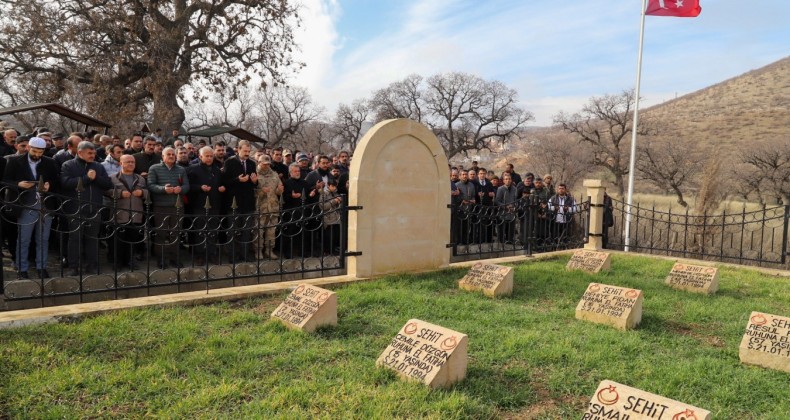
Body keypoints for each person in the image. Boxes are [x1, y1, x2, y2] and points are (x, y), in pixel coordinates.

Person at [4, 137, 59, 279]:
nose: (37, 155)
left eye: (40, 152)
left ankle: (42, 267)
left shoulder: (49, 162)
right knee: (24, 239)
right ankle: (22, 268)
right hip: (25, 205)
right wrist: (19, 184)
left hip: (45, 205)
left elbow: (56, 180)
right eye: (34, 151)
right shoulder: (15, 161)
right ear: (28, 147)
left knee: (43, 239)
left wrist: (49, 185)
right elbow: (6, 181)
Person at [60, 141, 112, 275]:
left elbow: (107, 184)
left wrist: (95, 178)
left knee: (92, 238)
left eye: (94, 153)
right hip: (75, 208)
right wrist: (87, 178)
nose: (93, 155)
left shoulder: (98, 166)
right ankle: (74, 266)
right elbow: (65, 183)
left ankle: (92, 265)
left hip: (94, 208)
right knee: (75, 238)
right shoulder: (68, 165)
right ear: (80, 152)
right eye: (89, 153)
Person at [147, 147, 190, 268]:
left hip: (177, 206)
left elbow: (187, 185)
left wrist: (181, 189)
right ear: (163, 156)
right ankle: (161, 259)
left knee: (175, 234)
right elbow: (150, 185)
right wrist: (163, 189)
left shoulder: (181, 169)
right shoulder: (154, 168)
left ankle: (174, 258)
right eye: (168, 154)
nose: (171, 156)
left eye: (173, 154)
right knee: (161, 234)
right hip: (161, 206)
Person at [106, 154, 148, 270]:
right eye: (128, 162)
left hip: (135, 214)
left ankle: (130, 261)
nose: (131, 164)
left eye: (132, 162)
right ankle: (117, 262)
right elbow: (106, 192)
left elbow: (148, 193)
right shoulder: (112, 178)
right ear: (121, 163)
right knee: (117, 241)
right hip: (119, 215)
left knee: (132, 240)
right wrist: (119, 194)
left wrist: (142, 193)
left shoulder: (140, 179)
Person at [186, 146, 225, 265]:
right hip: (199, 204)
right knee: (200, 231)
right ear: (200, 156)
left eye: (211, 156)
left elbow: (221, 183)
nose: (209, 158)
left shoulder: (217, 169)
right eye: (206, 156)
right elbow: (188, 186)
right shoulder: (193, 169)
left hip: (214, 204)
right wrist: (199, 187)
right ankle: (200, 255)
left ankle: (212, 254)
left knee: (213, 231)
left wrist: (222, 188)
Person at [221, 140, 258, 262]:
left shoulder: (252, 164)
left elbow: (255, 183)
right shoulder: (229, 162)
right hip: (233, 202)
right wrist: (237, 180)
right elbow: (225, 181)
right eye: (245, 151)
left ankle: (245, 255)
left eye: (249, 151)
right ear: (238, 149)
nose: (247, 154)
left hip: (247, 202)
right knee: (232, 231)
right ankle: (232, 256)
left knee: (246, 232)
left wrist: (254, 182)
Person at [281, 163, 314, 258]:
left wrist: (311, 193)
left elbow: (308, 194)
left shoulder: (304, 183)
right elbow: (283, 197)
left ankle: (303, 252)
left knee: (303, 233)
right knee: (290, 232)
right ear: (290, 173)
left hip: (303, 211)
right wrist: (292, 196)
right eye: (295, 171)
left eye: (298, 171)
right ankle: (288, 253)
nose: (297, 173)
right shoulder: (286, 183)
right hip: (290, 211)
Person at [255, 154, 283, 259]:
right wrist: (261, 191)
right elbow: (250, 191)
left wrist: (279, 190)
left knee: (271, 231)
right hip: (260, 207)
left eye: (268, 164)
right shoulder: (255, 174)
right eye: (264, 164)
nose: (266, 166)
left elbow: (278, 190)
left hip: (273, 206)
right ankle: (258, 251)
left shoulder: (274, 174)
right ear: (259, 163)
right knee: (258, 231)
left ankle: (269, 250)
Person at [320, 178, 343, 254]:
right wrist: (334, 201)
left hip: (336, 218)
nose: (334, 188)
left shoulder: (336, 193)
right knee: (329, 236)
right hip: (328, 218)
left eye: (335, 186)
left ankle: (334, 249)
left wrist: (340, 201)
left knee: (336, 236)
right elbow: (322, 206)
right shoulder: (324, 194)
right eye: (333, 186)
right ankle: (328, 250)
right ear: (328, 185)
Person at [495, 173, 518, 244]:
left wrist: (514, 206)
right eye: (506, 179)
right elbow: (497, 201)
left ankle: (510, 243)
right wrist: (505, 206)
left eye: (509, 179)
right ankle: (501, 244)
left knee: (510, 231)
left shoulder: (514, 188)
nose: (508, 180)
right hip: (503, 213)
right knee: (502, 231)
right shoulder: (500, 189)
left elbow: (516, 200)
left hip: (511, 213)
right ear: (503, 181)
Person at [455, 169, 477, 245]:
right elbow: (455, 197)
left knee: (467, 226)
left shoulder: (471, 185)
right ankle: (458, 241)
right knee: (459, 226)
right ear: (460, 176)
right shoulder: (457, 185)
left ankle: (465, 241)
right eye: (463, 174)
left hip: (469, 208)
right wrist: (461, 201)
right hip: (460, 209)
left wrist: (473, 200)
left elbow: (473, 195)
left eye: (466, 174)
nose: (464, 176)